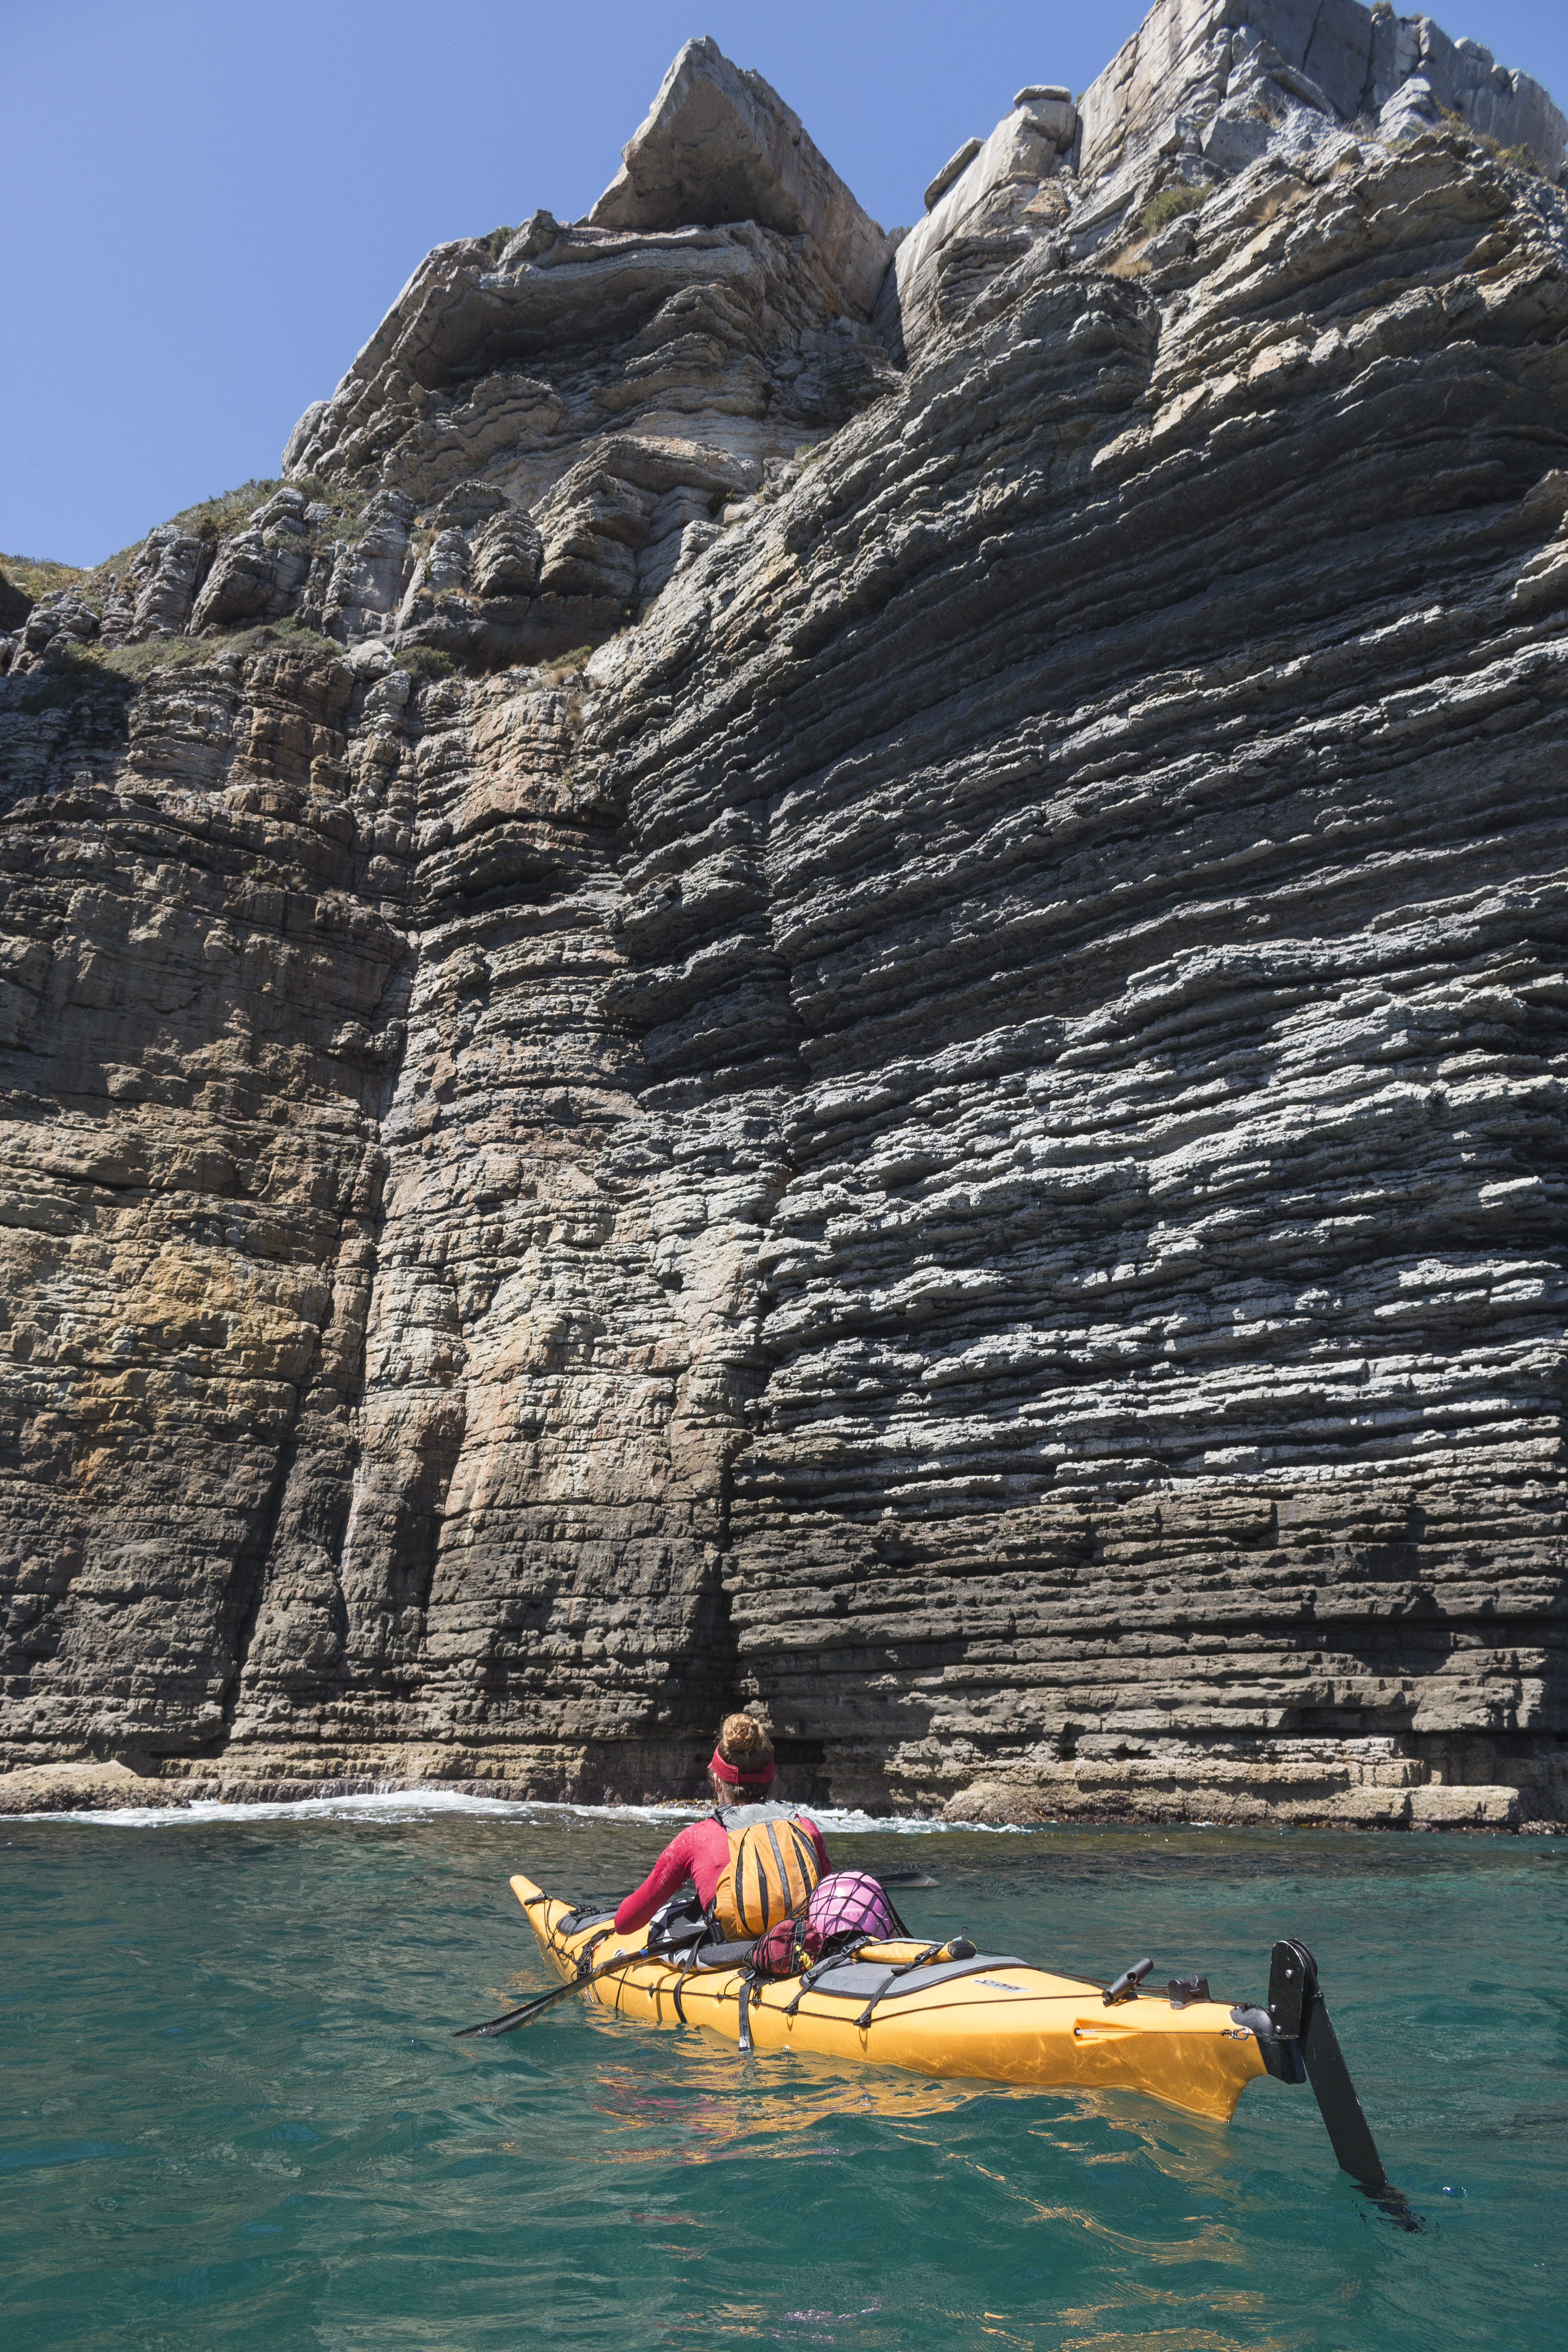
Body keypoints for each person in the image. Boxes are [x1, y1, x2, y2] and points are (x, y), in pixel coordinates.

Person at [612, 1713, 830, 1937]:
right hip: (800, 1950)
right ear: (772, 1780)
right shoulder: (806, 1828)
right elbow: (827, 1905)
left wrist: (673, 1881)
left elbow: (625, 1923)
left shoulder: (695, 1839)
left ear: (717, 1781)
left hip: (733, 1959)